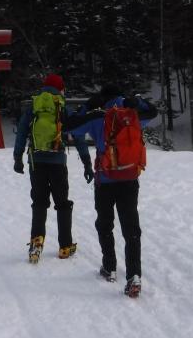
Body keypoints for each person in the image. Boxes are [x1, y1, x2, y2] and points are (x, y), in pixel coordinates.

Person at [66, 84, 157, 298]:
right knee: (131, 228)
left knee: (105, 224)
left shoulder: (98, 117)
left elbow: (69, 127)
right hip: (129, 179)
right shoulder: (132, 115)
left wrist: (86, 108)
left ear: (102, 98)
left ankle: (109, 267)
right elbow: (153, 112)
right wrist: (137, 101)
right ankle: (134, 276)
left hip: (105, 181)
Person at [13, 74, 94, 263]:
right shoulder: (63, 107)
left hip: (36, 161)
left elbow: (22, 131)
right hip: (57, 162)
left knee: (39, 202)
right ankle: (65, 246)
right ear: (60, 88)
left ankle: (36, 242)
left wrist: (18, 158)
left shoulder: (34, 106)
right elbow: (78, 136)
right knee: (62, 203)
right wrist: (87, 163)